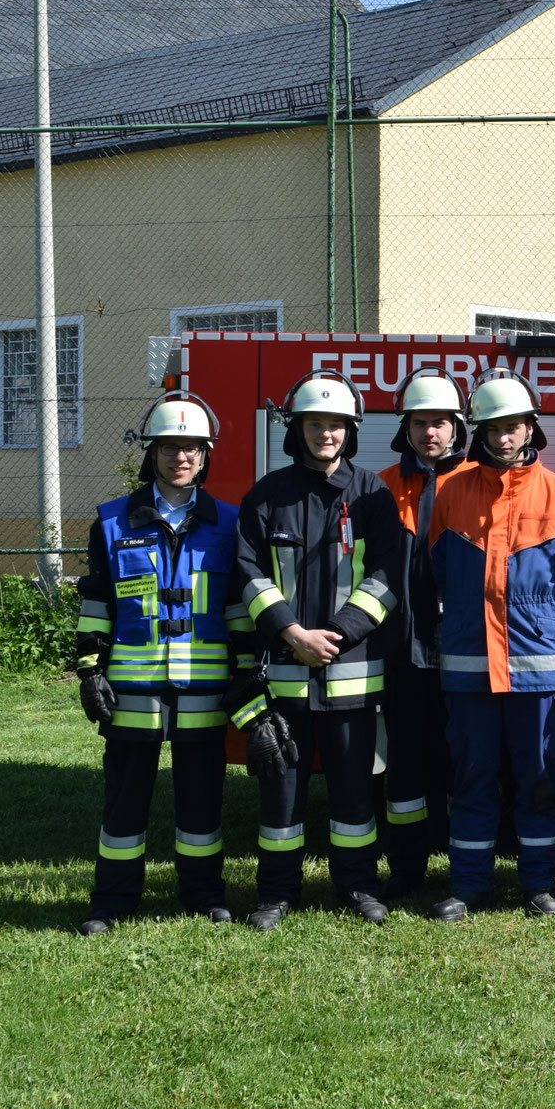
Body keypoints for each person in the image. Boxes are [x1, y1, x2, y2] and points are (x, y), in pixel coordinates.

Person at [73, 392, 250, 934]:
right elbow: (99, 601)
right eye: (170, 448)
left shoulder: (230, 523)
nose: (181, 458)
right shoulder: (111, 521)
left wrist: (247, 674)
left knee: (202, 801)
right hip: (131, 687)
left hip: (203, 688)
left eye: (192, 449)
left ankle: (202, 895)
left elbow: (238, 609)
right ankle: (112, 902)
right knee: (125, 803)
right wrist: (88, 670)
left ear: (206, 455)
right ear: (152, 454)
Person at [231, 371, 400, 930]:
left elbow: (386, 575)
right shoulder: (266, 496)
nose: (324, 434)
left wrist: (339, 634)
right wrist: (291, 632)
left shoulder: (373, 495)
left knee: (355, 795)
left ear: (350, 431)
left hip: (350, 675)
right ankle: (276, 894)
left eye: (335, 425)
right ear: (297, 429)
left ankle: (358, 887)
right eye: (314, 424)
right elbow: (247, 573)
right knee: (281, 796)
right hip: (285, 675)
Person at [427, 370, 555, 920]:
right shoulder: (451, 491)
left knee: (540, 780)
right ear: (479, 432)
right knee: (471, 779)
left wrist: (545, 630)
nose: (504, 437)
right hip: (470, 668)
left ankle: (538, 884)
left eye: (514, 426)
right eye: (494, 428)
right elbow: (437, 570)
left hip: (537, 672)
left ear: (531, 429)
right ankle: (469, 885)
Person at [376, 367, 470, 899]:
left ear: (457, 427)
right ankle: (407, 869)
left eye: (439, 423)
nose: (429, 433)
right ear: (405, 429)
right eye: (419, 424)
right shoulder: (382, 486)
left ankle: (466, 870)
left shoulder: (481, 480)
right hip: (404, 653)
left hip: (468, 652)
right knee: (405, 769)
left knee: (468, 766)